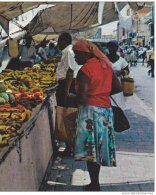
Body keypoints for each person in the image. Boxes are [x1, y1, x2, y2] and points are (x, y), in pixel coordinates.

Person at [67, 39, 118, 191]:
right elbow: (117, 87)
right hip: (104, 112)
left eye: (77, 55)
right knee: (98, 149)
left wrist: (68, 94)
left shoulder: (84, 70)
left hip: (90, 112)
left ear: (85, 53)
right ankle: (95, 182)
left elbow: (81, 98)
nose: (75, 58)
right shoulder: (105, 65)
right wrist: (101, 93)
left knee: (90, 151)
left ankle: (94, 183)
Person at [55, 32, 81, 156]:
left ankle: (69, 146)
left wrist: (66, 90)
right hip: (66, 85)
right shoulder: (68, 51)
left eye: (59, 41)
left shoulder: (67, 51)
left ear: (65, 40)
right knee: (66, 114)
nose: (58, 44)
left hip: (66, 85)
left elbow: (70, 71)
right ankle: (68, 145)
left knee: (67, 115)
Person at [107, 40, 129, 110]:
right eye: (110, 47)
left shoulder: (121, 60)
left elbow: (127, 71)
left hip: (118, 85)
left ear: (116, 48)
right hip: (106, 84)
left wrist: (121, 72)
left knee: (117, 105)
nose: (111, 49)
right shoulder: (104, 59)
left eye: (113, 47)